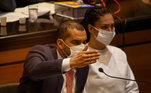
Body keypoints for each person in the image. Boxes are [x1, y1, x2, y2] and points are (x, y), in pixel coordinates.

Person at [17, 20, 100, 93]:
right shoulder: (41, 52)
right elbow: (33, 72)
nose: (82, 47)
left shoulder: (82, 64)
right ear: (60, 43)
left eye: (84, 42)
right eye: (76, 42)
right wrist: (70, 63)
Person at [81, 7, 139, 93]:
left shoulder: (119, 53)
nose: (110, 31)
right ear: (91, 28)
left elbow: (131, 88)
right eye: (104, 27)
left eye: (112, 26)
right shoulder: (81, 56)